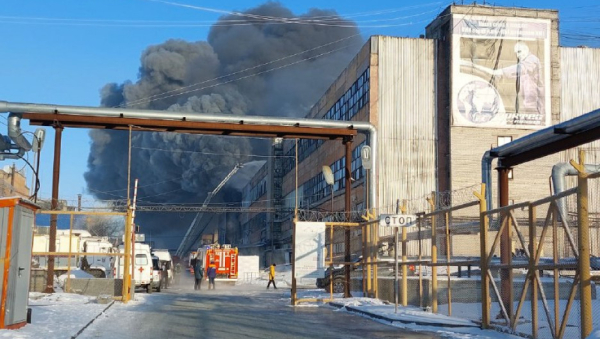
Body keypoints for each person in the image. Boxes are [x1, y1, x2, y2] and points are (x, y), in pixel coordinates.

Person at [461, 41, 544, 116]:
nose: (518, 55)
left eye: (519, 52)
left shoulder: (532, 60)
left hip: (536, 110)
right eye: (516, 53)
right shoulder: (524, 65)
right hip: (530, 108)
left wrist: (501, 71)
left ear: (526, 49)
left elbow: (521, 69)